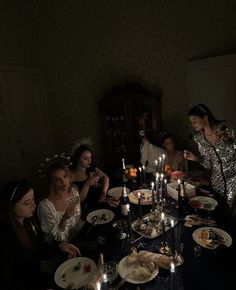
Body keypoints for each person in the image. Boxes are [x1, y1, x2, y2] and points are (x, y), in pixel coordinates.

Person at [0, 179, 80, 290]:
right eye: (27, 203)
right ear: (11, 207)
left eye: (33, 200)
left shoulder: (28, 221)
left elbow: (40, 249)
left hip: (38, 277)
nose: (34, 205)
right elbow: (10, 279)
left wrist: (59, 246)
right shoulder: (6, 237)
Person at [184, 103, 236, 223]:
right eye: (191, 122)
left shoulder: (226, 127)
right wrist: (196, 158)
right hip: (217, 183)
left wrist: (228, 141)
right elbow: (208, 164)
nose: (193, 124)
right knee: (220, 216)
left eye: (195, 120)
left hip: (234, 179)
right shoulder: (199, 139)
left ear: (205, 118)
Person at [38, 162, 84, 243]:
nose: (63, 182)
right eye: (58, 180)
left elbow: (77, 218)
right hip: (60, 248)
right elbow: (52, 239)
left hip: (78, 240)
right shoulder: (45, 206)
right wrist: (64, 219)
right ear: (52, 183)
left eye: (65, 176)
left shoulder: (74, 192)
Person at [69, 138, 110, 210]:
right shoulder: (70, 175)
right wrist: (87, 184)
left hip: (100, 202)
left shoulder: (91, 168)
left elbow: (105, 177)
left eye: (90, 157)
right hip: (86, 209)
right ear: (77, 159)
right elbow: (78, 201)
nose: (89, 160)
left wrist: (103, 193)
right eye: (85, 158)